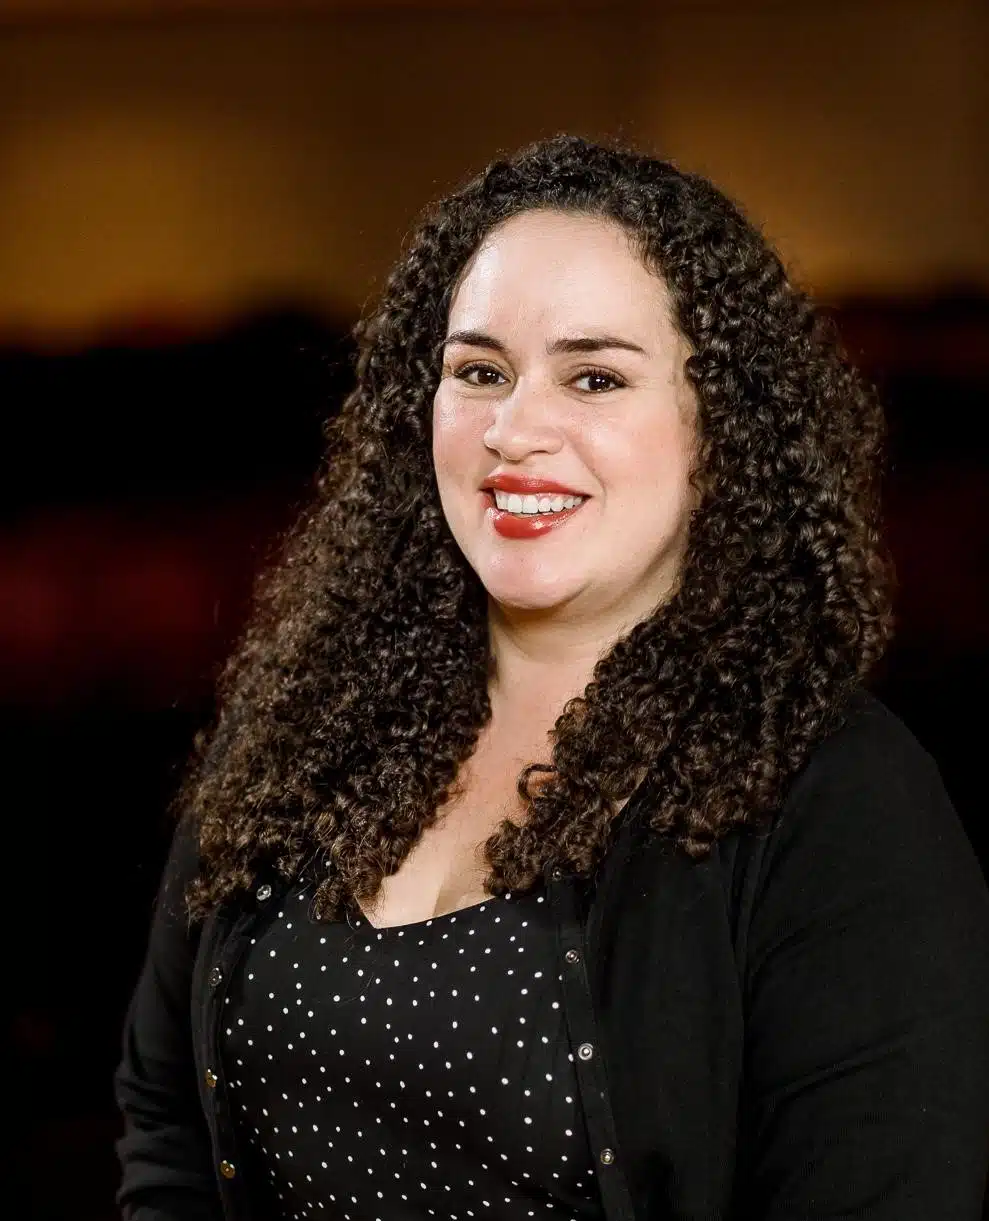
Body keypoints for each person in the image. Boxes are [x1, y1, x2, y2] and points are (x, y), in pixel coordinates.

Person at [114, 135, 989, 1221]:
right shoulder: (301, 726)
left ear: (719, 429)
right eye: (477, 373)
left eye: (594, 377)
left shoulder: (838, 801)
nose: (515, 430)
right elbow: (166, 1130)